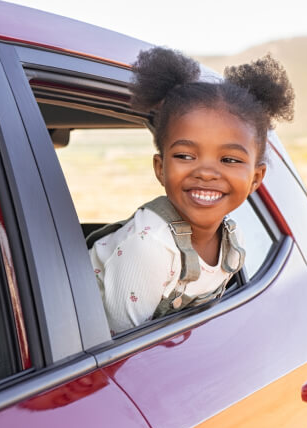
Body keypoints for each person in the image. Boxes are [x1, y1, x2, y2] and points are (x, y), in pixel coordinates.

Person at [88, 47, 294, 333]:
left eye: (229, 160)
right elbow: (119, 355)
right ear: (160, 168)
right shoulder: (150, 248)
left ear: (256, 178)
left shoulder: (232, 241)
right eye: (185, 156)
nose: (206, 172)